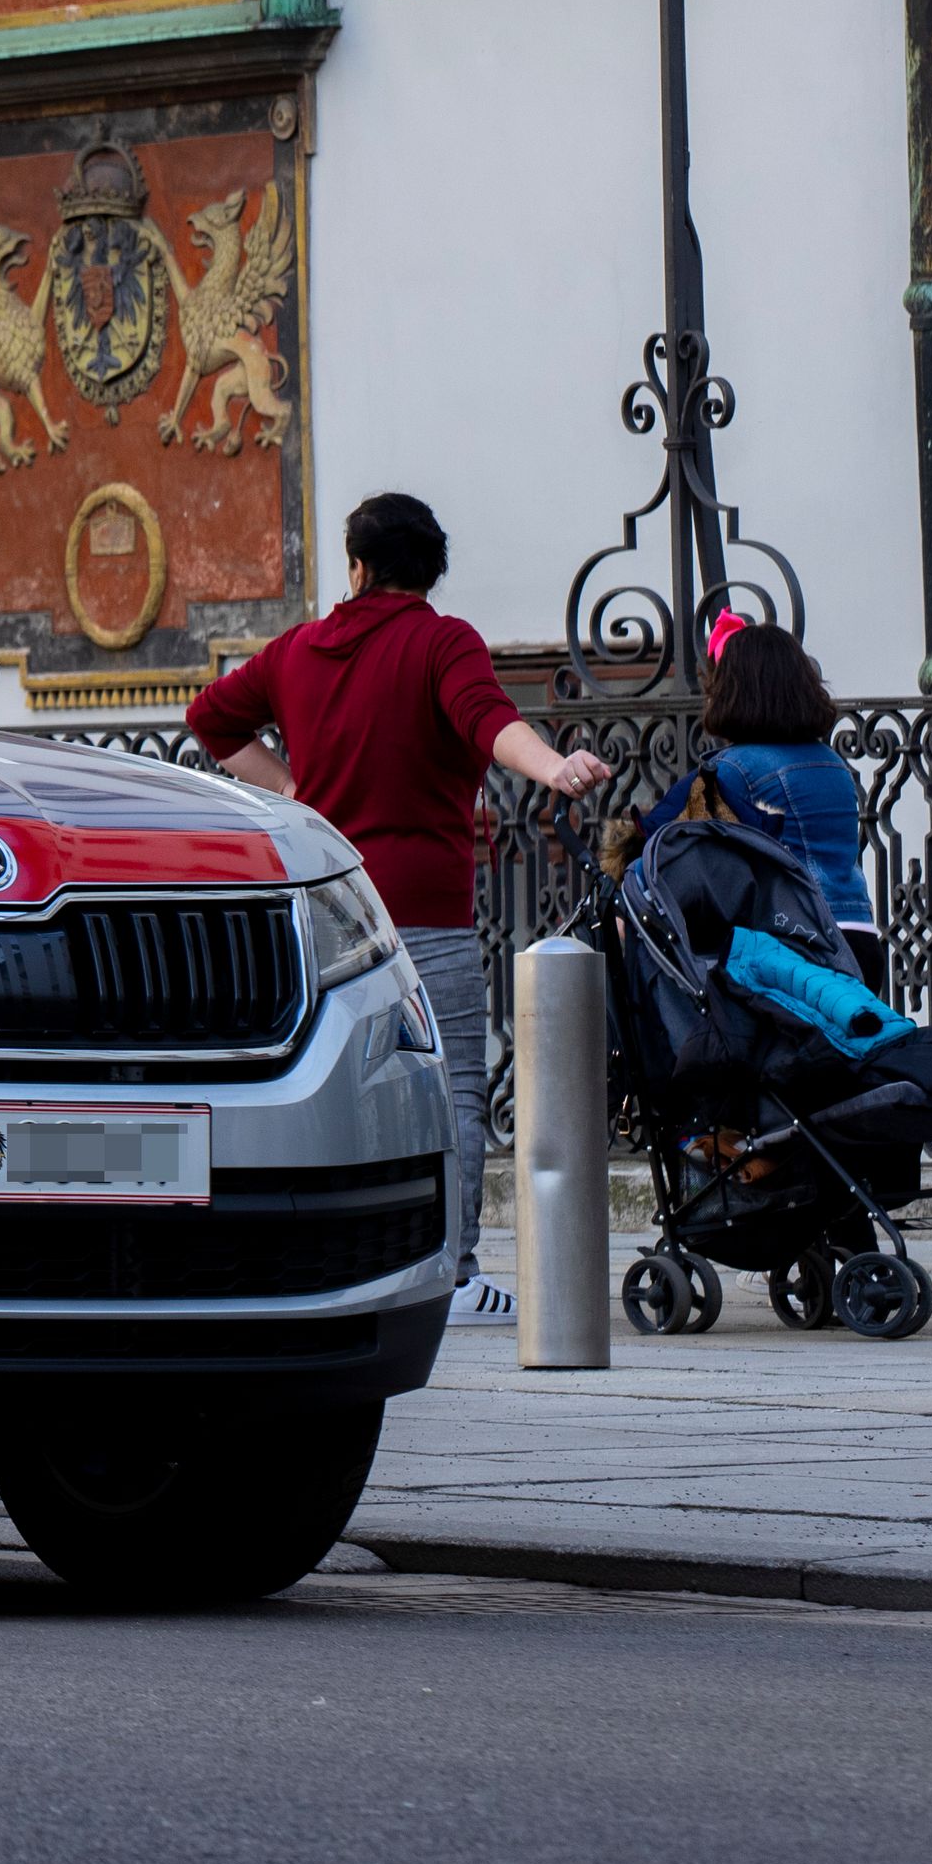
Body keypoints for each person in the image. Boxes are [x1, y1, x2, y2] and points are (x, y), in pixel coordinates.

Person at [186, 492, 615, 1328]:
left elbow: (211, 721)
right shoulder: (441, 641)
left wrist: (291, 791)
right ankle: (452, 1274)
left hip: (329, 907)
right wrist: (554, 765)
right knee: (450, 1083)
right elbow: (489, 722)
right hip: (425, 908)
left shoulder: (298, 651)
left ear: (356, 564)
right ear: (430, 570)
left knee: (331, 1081)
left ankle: (331, 1263)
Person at [644, 621, 883, 994]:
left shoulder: (732, 769)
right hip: (860, 939)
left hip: (801, 945)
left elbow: (665, 842)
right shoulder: (833, 763)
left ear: (733, 692)